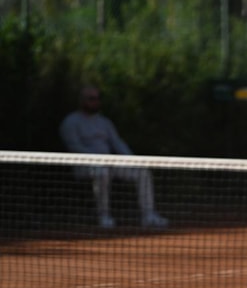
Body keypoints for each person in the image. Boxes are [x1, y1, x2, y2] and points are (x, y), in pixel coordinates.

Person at [60, 86, 168, 229]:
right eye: (91, 99)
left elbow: (117, 142)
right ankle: (104, 216)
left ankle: (149, 215)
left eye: (98, 98)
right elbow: (74, 147)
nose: (95, 101)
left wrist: (131, 159)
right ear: (82, 101)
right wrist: (97, 158)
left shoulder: (104, 122)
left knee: (142, 171)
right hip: (84, 166)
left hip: (109, 162)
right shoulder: (70, 122)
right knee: (102, 172)